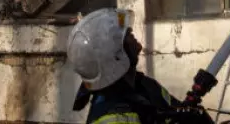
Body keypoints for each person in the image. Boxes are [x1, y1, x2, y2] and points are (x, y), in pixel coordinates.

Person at [68, 8, 215, 124]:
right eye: (128, 35)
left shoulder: (144, 86)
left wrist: (188, 110)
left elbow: (175, 110)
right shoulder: (114, 118)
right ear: (115, 56)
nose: (134, 36)